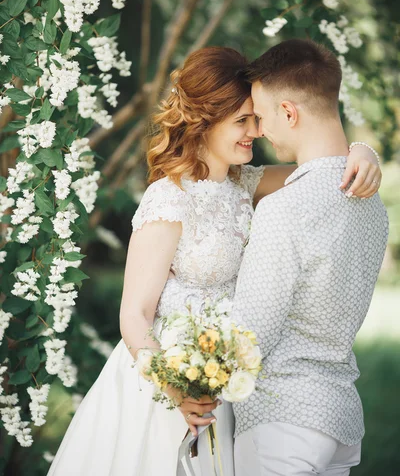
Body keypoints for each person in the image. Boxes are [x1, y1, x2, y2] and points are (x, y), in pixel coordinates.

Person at [47, 46, 381, 476]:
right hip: (170, 382)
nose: (256, 132)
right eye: (242, 120)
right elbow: (135, 313)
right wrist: (173, 387)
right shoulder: (170, 197)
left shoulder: (247, 184)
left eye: (256, 118)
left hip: (229, 383)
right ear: (205, 122)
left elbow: (325, 172)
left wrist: (363, 150)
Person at [233, 39, 389, 476]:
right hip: (339, 419)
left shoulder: (285, 208)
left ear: (289, 112)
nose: (259, 131)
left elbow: (251, 330)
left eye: (261, 118)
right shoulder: (373, 206)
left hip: (282, 420)